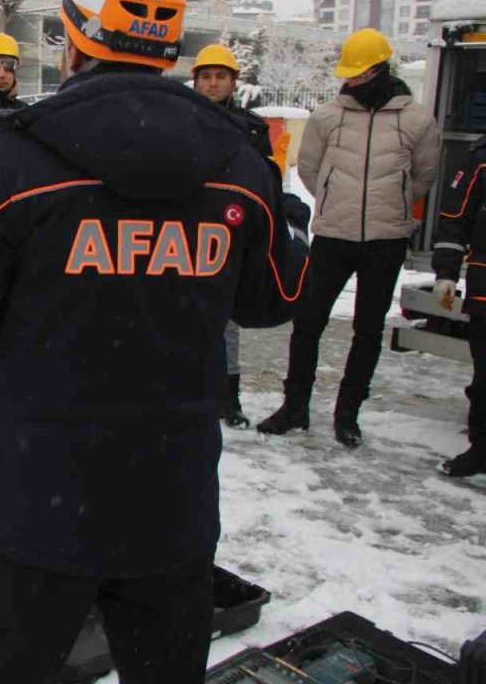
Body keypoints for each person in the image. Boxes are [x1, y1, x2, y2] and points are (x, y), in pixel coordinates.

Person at [0, 0, 312, 680]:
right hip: (172, 492)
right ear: (170, 49)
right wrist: (290, 226)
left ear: (74, 43)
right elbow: (273, 298)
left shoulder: (17, 156)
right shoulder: (238, 161)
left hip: (42, 491)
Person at [257, 28, 439, 448]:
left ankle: (348, 415)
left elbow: (423, 176)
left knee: (368, 330)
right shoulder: (327, 116)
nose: (354, 80)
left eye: (361, 73)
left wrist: (390, 204)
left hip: (386, 239)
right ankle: (295, 407)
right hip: (333, 236)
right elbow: (310, 169)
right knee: (307, 322)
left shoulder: (416, 119)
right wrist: (337, 199)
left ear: (380, 68)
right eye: (350, 74)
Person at [191, 43, 272, 429]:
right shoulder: (180, 120)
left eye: (220, 76)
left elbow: (267, 180)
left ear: (233, 82)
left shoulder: (251, 129)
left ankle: (228, 396)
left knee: (228, 320)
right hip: (189, 228)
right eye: (206, 76)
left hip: (231, 229)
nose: (213, 84)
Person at [431, 134, 486, 477]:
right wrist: (446, 273)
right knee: (484, 379)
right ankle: (481, 451)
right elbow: (455, 217)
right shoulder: (481, 157)